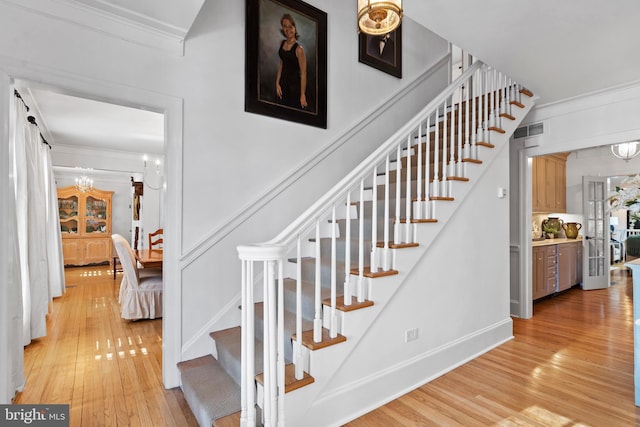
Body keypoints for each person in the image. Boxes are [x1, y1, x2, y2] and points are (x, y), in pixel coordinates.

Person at [276, 14, 307, 109]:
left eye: (290, 26)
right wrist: (277, 83)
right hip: (282, 86)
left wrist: (302, 95)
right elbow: (281, 64)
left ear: (295, 28)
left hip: (294, 88)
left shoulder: (299, 49)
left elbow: (303, 74)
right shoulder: (281, 43)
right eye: (285, 26)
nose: (288, 29)